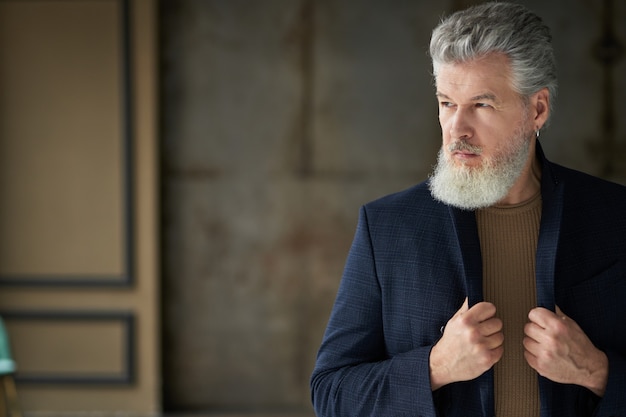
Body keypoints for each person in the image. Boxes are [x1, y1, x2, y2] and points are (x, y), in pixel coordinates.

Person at [309, 2, 626, 416]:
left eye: (481, 104)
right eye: (446, 103)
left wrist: (596, 371)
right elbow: (330, 394)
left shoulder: (616, 216)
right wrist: (433, 368)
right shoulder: (386, 227)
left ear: (538, 110)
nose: (457, 128)